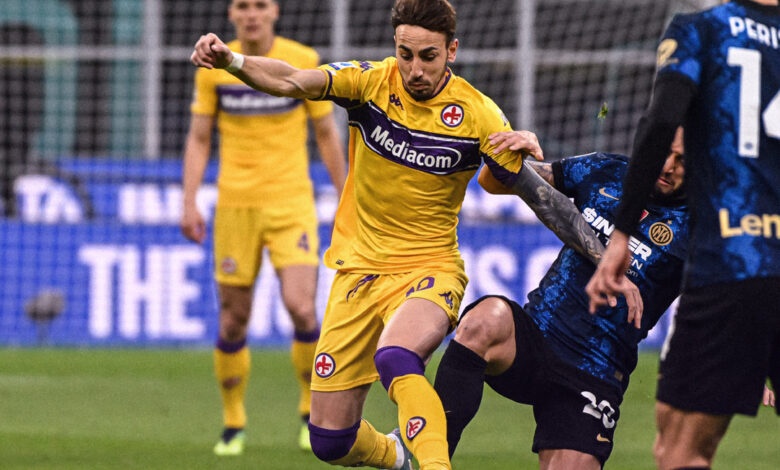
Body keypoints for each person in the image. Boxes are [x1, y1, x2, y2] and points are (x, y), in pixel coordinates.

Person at [190, 1, 633, 468]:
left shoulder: (478, 115)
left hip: (429, 269)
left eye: (428, 56)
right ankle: (396, 456)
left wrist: (605, 257)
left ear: (452, 51)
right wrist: (232, 61)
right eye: (406, 54)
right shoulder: (369, 83)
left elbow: (542, 199)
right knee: (330, 441)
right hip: (358, 271)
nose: (415, 69)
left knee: (396, 357)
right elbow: (293, 80)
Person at [585, 1, 780, 469]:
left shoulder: (703, 30)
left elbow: (660, 123)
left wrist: (621, 234)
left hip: (738, 260)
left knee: (679, 450)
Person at [435, 129, 688, 470]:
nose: (668, 166)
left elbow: (730, 294)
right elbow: (491, 181)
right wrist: (513, 154)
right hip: (535, 340)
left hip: (595, 372)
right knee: (483, 320)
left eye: (682, 160)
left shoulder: (699, 226)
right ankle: (432, 460)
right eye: (664, 152)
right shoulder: (605, 170)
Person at [180, 0, 347, 456]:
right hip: (235, 206)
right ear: (231, 14)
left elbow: (326, 134)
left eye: (260, 5)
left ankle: (310, 411)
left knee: (302, 308)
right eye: (242, 5)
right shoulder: (213, 66)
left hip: (291, 203)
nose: (251, 13)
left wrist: (347, 196)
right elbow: (199, 137)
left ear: (275, 11)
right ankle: (233, 422)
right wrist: (189, 201)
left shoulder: (302, 59)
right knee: (233, 319)